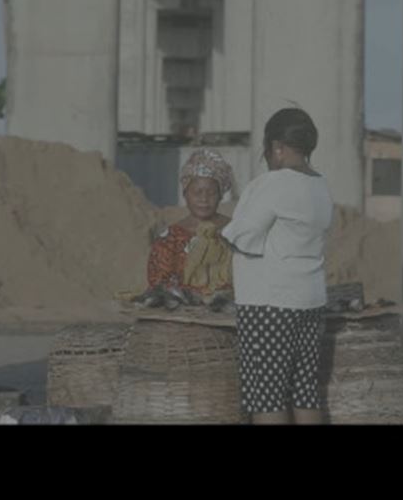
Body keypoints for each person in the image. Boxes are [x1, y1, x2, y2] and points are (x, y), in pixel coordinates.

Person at [222, 107, 335, 425]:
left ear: (277, 147)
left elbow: (242, 237)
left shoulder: (274, 183)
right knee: (305, 392)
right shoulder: (320, 185)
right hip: (310, 301)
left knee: (267, 398)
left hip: (270, 305)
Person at [140, 149, 237, 307]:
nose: (204, 199)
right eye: (197, 192)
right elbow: (158, 284)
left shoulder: (236, 232)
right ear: (185, 193)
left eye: (211, 192)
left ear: (221, 195)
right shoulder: (169, 239)